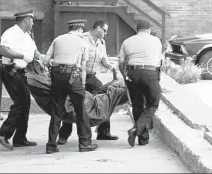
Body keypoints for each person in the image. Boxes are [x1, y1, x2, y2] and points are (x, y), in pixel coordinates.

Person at [57, 19, 119, 145]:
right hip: (78, 75)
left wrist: (111, 66)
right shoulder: (82, 39)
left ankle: (103, 132)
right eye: (105, 30)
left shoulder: (102, 42)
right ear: (98, 28)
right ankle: (63, 135)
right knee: (72, 102)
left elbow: (104, 59)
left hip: (91, 76)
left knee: (104, 99)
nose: (106, 33)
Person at [42, 19, 98, 154]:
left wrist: (57, 63)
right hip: (74, 76)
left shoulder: (57, 39)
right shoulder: (83, 43)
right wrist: (82, 85)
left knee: (56, 111)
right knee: (80, 110)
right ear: (80, 29)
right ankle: (84, 143)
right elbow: (83, 67)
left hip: (56, 76)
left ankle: (51, 145)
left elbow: (45, 62)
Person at [0, 10, 45, 150]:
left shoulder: (28, 35)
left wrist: (43, 58)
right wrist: (22, 56)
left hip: (22, 72)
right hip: (11, 71)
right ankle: (3, 134)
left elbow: (34, 52)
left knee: (25, 103)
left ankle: (20, 138)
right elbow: (3, 50)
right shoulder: (11, 33)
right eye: (32, 20)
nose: (33, 23)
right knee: (20, 103)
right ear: (26, 20)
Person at [118, 19, 163, 147]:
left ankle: (143, 139)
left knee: (137, 105)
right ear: (148, 30)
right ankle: (136, 130)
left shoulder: (127, 41)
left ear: (137, 30)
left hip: (133, 74)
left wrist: (125, 75)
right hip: (150, 73)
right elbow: (159, 61)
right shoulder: (156, 40)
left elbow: (120, 62)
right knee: (153, 103)